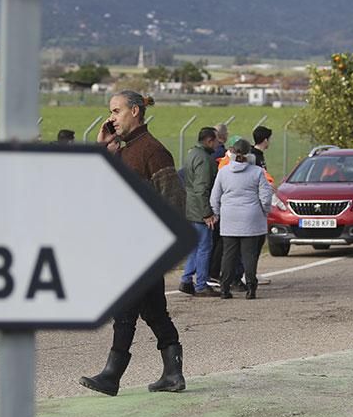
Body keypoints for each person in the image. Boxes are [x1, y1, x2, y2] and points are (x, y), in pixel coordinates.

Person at [80, 90, 185, 396]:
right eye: (111, 112)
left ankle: (112, 375)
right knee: (154, 312)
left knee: (124, 309)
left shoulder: (153, 151)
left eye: (116, 111)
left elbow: (174, 201)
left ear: (135, 112)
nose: (111, 118)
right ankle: (173, 374)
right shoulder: (123, 151)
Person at [211, 138, 273, 299]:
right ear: (249, 154)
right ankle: (251, 288)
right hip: (251, 218)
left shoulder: (223, 172)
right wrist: (264, 211)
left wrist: (217, 213)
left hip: (229, 218)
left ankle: (224, 288)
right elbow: (266, 196)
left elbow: (214, 196)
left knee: (228, 255)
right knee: (249, 255)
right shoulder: (257, 172)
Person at [179, 127, 219, 297]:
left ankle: (186, 280)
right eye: (216, 141)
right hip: (199, 210)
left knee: (195, 247)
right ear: (209, 140)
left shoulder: (191, 154)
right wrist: (207, 213)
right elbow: (201, 188)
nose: (217, 144)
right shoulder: (204, 159)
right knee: (205, 247)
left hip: (190, 207)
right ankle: (201, 284)